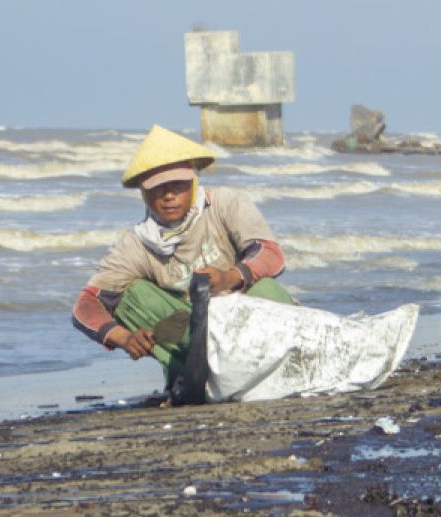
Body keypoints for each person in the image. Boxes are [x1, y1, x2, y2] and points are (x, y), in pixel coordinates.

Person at [72, 125, 295, 394]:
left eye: (177, 185)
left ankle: (285, 360)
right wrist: (124, 338)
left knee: (267, 289)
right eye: (158, 188)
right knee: (131, 296)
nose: (168, 195)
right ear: (145, 192)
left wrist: (229, 277)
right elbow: (85, 305)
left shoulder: (224, 204)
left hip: (247, 323)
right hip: (194, 339)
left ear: (193, 182)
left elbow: (271, 254)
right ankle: (187, 374)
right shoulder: (138, 243)